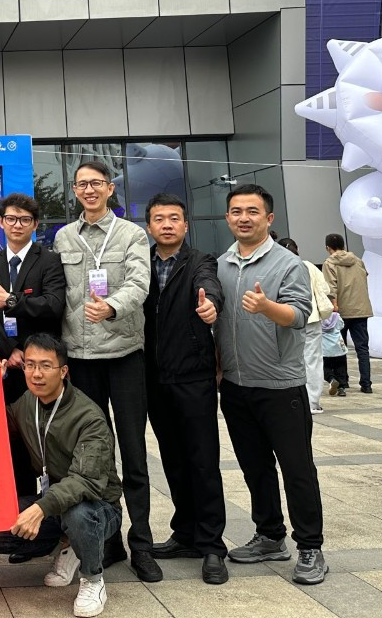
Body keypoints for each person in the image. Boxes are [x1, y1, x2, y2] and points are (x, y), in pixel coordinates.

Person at [51, 160, 157, 583]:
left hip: (124, 355)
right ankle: (107, 540)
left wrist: (111, 306)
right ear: (75, 191)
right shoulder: (63, 237)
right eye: (82, 185)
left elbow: (140, 283)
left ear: (110, 188)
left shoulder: (132, 234)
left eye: (96, 183)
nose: (89, 190)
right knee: (95, 456)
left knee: (133, 452)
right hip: (80, 359)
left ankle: (142, 543)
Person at [216, 184, 326, 585]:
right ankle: (269, 536)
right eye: (236, 211)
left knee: (297, 470)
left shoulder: (288, 264)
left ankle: (310, 546)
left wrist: (266, 307)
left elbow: (298, 315)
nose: (243, 218)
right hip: (235, 386)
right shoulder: (222, 264)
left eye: (252, 211)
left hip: (281, 387)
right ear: (228, 217)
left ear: (269, 218)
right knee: (255, 467)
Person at [0, 334, 123, 618]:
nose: (36, 374)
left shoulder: (89, 417)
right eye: (30, 365)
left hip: (99, 507)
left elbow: (85, 481)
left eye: (45, 366)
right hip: (55, 504)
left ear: (63, 371)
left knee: (78, 515)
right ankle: (69, 546)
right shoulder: (27, 402)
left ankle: (93, 579)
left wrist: (39, 509)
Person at [141, 193, 227, 584]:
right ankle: (186, 533)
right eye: (159, 218)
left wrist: (211, 306)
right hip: (153, 378)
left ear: (185, 225)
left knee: (203, 461)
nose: (167, 224)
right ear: (149, 226)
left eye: (174, 218)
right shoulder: (140, 262)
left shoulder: (200, 261)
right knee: (173, 460)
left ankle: (212, 546)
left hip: (193, 376)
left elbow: (210, 287)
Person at [0, 193, 67, 524]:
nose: (18, 225)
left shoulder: (49, 260)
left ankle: (56, 520)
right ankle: (19, 518)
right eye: (11, 219)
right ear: (1, 222)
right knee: (13, 443)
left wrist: (12, 300)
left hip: (42, 367)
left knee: (48, 441)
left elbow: (53, 305)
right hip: (8, 368)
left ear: (35, 224)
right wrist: (9, 350)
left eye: (25, 220)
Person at [281, 239, 334, 415]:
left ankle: (291, 398)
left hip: (287, 317)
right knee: (313, 360)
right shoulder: (309, 266)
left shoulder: (279, 266)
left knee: (289, 359)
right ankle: (312, 402)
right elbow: (325, 289)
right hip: (311, 317)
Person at [323, 233, 374, 394]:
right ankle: (366, 384)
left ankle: (343, 383)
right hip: (361, 309)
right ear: (343, 245)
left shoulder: (329, 263)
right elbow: (364, 278)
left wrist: (333, 306)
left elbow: (331, 288)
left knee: (339, 348)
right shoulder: (358, 260)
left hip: (341, 311)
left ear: (328, 248)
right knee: (363, 349)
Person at [321, 309, 347, 395]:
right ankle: (341, 388)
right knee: (340, 368)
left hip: (325, 349)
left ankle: (331, 379)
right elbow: (341, 326)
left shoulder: (320, 317)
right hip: (338, 347)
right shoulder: (336, 316)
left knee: (324, 367)